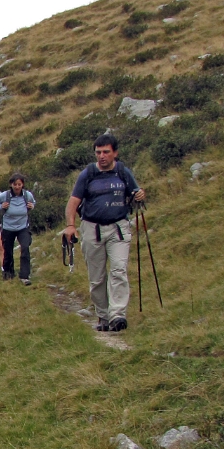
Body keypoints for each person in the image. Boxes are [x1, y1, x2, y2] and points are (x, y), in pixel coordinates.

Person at [64, 134, 146, 332]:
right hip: (92, 229)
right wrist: (71, 226)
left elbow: (136, 196)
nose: (101, 156)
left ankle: (118, 315)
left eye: (106, 152)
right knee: (97, 277)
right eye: (98, 152)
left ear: (115, 153)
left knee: (118, 270)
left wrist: (140, 195)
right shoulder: (88, 174)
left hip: (118, 228)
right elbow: (73, 202)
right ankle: (103, 316)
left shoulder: (123, 173)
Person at [0, 173, 35, 284]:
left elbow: (33, 203)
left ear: (23, 185)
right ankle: (8, 273)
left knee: (25, 248)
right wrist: (1, 206)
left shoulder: (27, 195)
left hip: (23, 227)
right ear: (11, 184)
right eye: (15, 184)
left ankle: (24, 276)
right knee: (8, 251)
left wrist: (32, 206)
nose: (17, 187)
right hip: (8, 227)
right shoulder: (5, 195)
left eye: (19, 184)